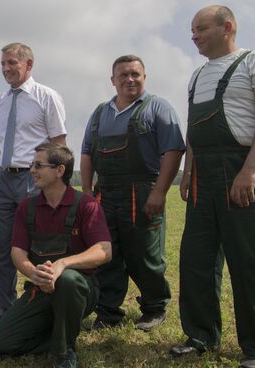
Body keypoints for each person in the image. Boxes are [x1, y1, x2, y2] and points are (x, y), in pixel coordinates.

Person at [170, 6, 255, 368]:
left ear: (228, 27)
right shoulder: (197, 75)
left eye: (200, 28)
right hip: (203, 175)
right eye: (191, 30)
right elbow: (193, 127)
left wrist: (251, 169)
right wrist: (188, 170)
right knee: (196, 260)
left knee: (249, 262)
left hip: (242, 168)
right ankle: (200, 336)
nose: (193, 36)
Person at [79, 55, 185, 331]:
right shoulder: (101, 112)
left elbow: (173, 151)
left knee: (145, 255)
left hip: (142, 191)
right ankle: (109, 312)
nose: (130, 79)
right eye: (123, 75)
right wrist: (88, 191)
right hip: (106, 194)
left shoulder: (158, 107)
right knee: (106, 253)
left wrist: (159, 192)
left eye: (135, 74)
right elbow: (87, 153)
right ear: (112, 80)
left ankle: (154, 307)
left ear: (144, 77)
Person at [0, 143, 111, 368]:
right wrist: (33, 273)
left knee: (68, 280)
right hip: (40, 289)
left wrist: (63, 264)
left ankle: (64, 352)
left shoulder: (86, 205)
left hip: (80, 290)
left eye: (38, 165)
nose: (32, 170)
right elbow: (17, 252)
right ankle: (57, 336)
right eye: (32, 165)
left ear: (59, 170)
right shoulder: (27, 207)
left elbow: (104, 250)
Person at [0, 42, 67, 331]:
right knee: (4, 247)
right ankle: (6, 310)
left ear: (28, 65)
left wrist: (55, 183)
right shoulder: (0, 101)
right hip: (6, 181)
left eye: (12, 63)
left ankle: (45, 310)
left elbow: (59, 144)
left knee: (41, 246)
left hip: (36, 179)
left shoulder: (47, 97)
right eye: (3, 64)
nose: (6, 69)